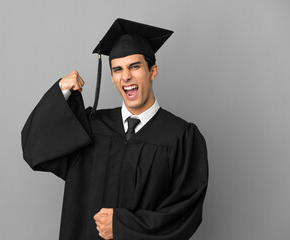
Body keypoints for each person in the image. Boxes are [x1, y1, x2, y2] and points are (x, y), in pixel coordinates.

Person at [21, 18, 208, 240]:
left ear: (153, 71)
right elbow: (37, 148)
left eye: (135, 66)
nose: (126, 76)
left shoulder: (181, 137)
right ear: (112, 77)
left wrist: (122, 226)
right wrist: (61, 92)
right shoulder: (92, 127)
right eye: (117, 69)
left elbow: (184, 213)